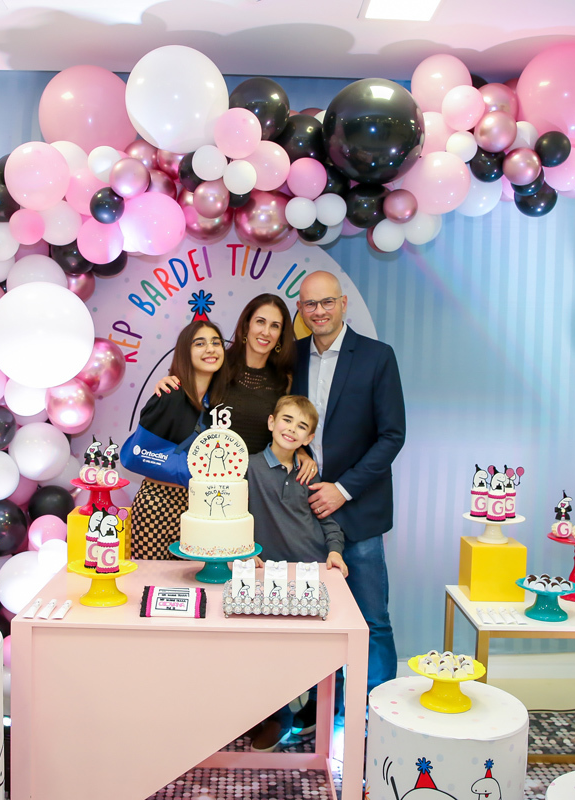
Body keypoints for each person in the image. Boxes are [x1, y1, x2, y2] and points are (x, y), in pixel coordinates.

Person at [293, 270, 406, 691]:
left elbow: (392, 436)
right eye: (310, 303)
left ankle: (373, 709)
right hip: (304, 510)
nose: (319, 311)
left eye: (327, 302)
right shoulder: (292, 356)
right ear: (300, 310)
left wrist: (342, 490)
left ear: (343, 304)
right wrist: (300, 451)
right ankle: (327, 709)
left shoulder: (378, 357)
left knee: (371, 618)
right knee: (312, 616)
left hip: (359, 510)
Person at [244, 394, 348, 751]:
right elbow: (233, 515)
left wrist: (334, 551)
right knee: (268, 653)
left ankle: (324, 714)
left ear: (309, 439)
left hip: (313, 569)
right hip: (268, 574)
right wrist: (246, 549)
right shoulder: (248, 467)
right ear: (271, 422)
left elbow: (328, 521)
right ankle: (275, 718)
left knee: (323, 652)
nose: (292, 429)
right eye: (286, 420)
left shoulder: (308, 474)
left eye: (302, 426)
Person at [155, 294, 317, 479]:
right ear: (247, 326)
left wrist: (300, 451)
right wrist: (170, 384)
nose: (266, 332)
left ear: (281, 334)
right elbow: (186, 406)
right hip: (206, 479)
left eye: (275, 326)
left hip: (255, 485)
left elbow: (288, 428)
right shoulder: (217, 365)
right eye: (260, 322)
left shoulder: (284, 380)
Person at [127, 319, 228, 559]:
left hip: (199, 507)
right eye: (200, 343)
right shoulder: (169, 395)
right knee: (153, 577)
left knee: (192, 577)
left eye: (216, 343)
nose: (210, 349)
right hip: (157, 505)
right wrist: (187, 470)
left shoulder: (219, 404)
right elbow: (136, 455)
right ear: (185, 352)